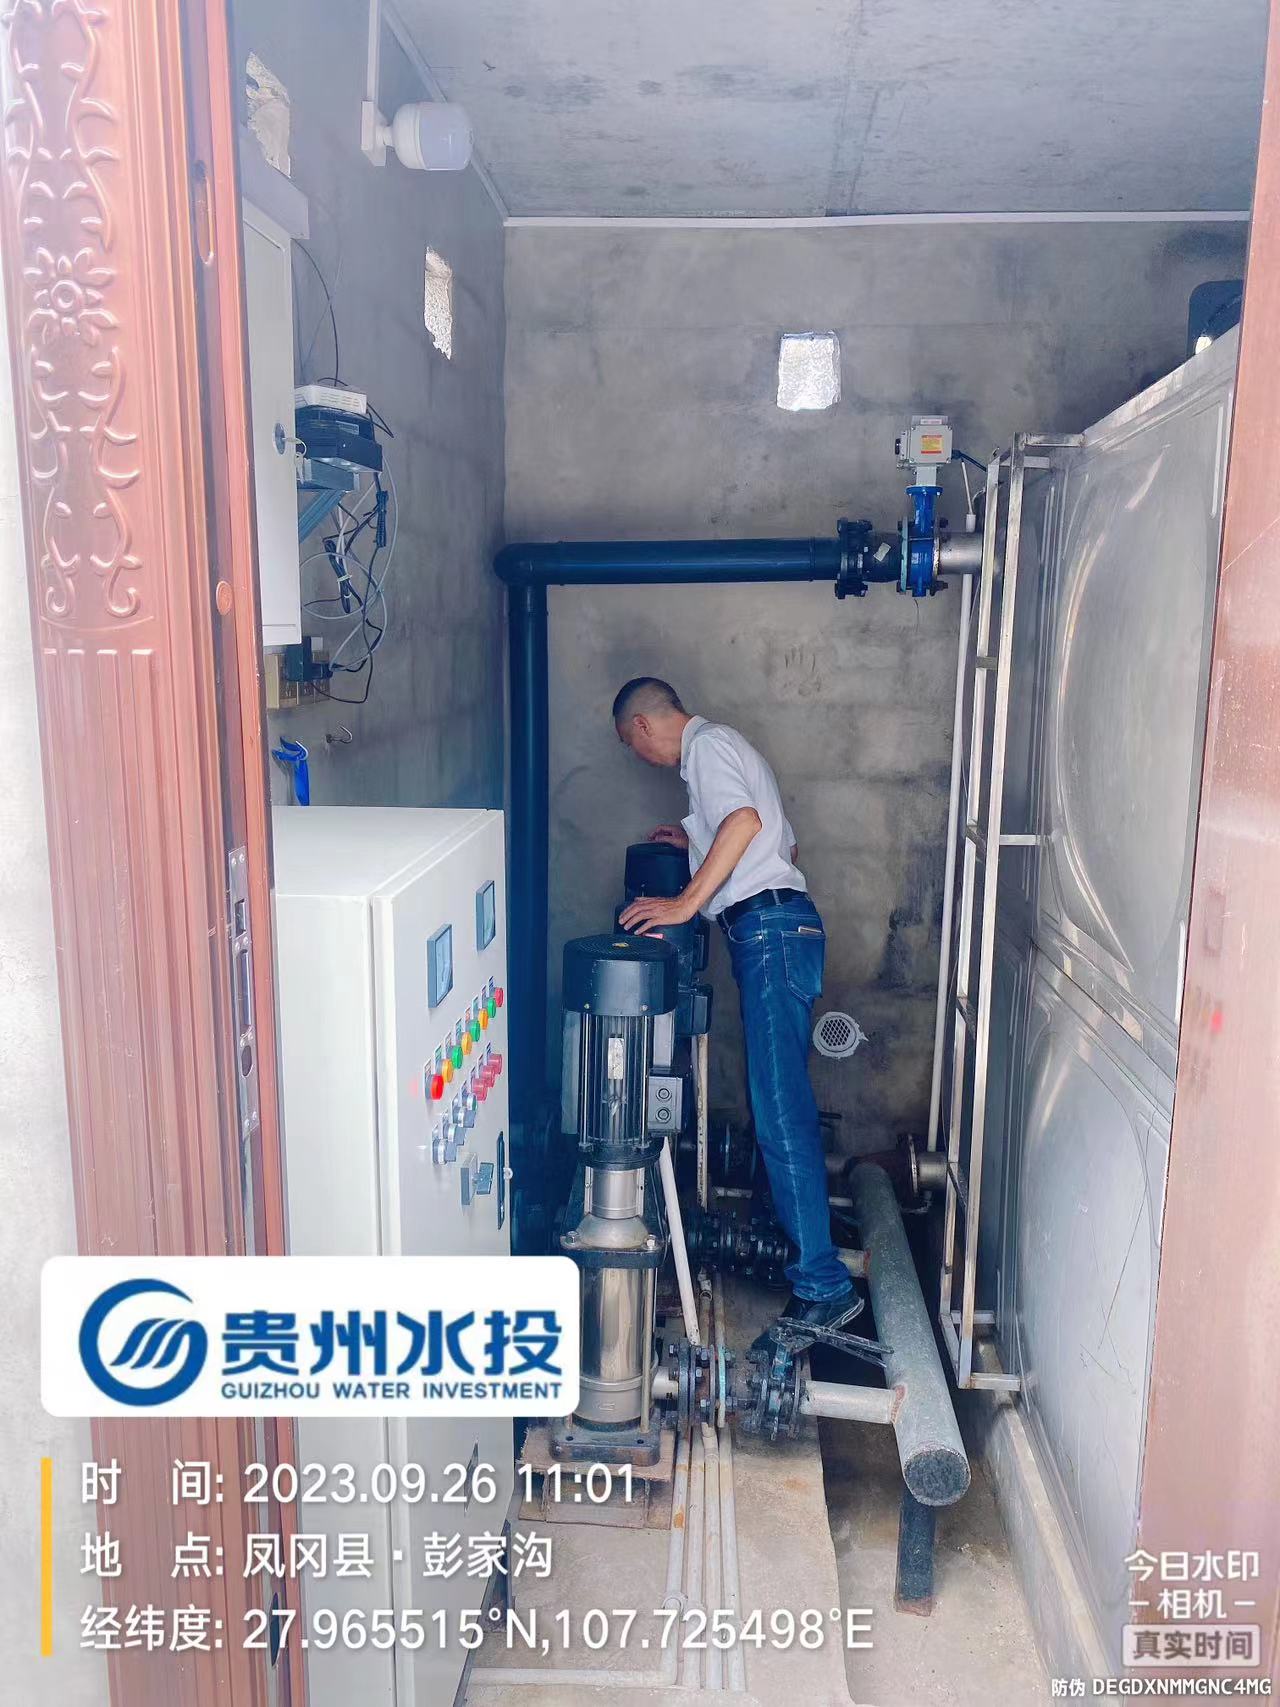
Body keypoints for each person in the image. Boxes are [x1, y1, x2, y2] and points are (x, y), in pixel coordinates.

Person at [611, 676, 860, 1338]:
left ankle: (823, 1285)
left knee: (780, 1108)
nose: (641, 757)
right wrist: (693, 845)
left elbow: (744, 824)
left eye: (632, 745)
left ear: (642, 726)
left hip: (769, 937)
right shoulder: (725, 750)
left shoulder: (706, 748)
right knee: (778, 1104)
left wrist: (684, 902)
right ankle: (808, 1256)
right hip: (781, 931)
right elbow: (781, 845)